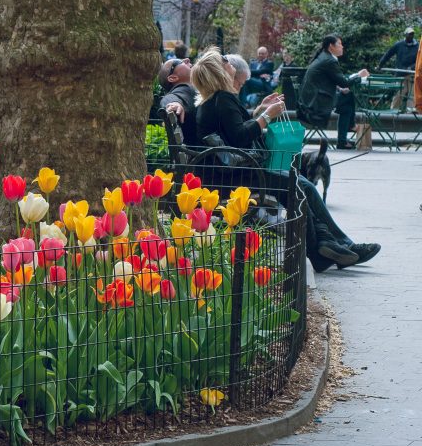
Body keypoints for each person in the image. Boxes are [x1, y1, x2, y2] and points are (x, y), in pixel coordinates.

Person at [192, 47, 380, 273]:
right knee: (300, 186)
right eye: (224, 60)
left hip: (235, 171)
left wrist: (261, 110)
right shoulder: (222, 99)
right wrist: (266, 116)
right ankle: (330, 247)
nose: (228, 61)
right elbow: (240, 136)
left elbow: (233, 129)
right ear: (219, 71)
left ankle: (331, 245)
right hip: (238, 175)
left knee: (303, 185)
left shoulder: (216, 100)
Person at [298, 34, 369, 149]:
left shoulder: (324, 57)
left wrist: (339, 88)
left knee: (346, 101)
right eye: (339, 44)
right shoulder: (329, 60)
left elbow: (326, 80)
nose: (342, 47)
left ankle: (344, 137)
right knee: (347, 98)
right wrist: (359, 76)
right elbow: (344, 82)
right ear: (331, 46)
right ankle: (348, 131)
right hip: (315, 102)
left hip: (310, 98)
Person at [158, 57, 198, 143]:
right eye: (179, 62)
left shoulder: (191, 89)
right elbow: (169, 98)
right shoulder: (184, 89)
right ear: (173, 78)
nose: (187, 59)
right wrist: (174, 103)